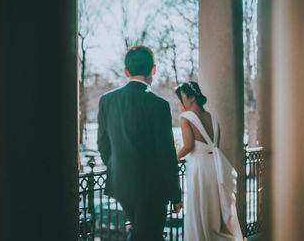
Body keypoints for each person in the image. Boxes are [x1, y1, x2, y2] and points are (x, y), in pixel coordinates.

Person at [97, 46, 182, 241]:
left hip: (122, 185)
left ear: (126, 71)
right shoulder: (158, 104)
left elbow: (103, 145)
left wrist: (118, 166)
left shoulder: (106, 100)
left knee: (141, 233)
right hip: (152, 188)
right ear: (153, 70)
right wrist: (175, 194)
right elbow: (166, 154)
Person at [175, 82, 243, 241]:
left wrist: (172, 158)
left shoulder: (185, 117)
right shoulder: (212, 118)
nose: (178, 102)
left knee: (200, 208)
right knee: (215, 209)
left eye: (181, 97)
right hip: (216, 168)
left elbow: (188, 146)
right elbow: (214, 145)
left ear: (191, 98)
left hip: (199, 169)